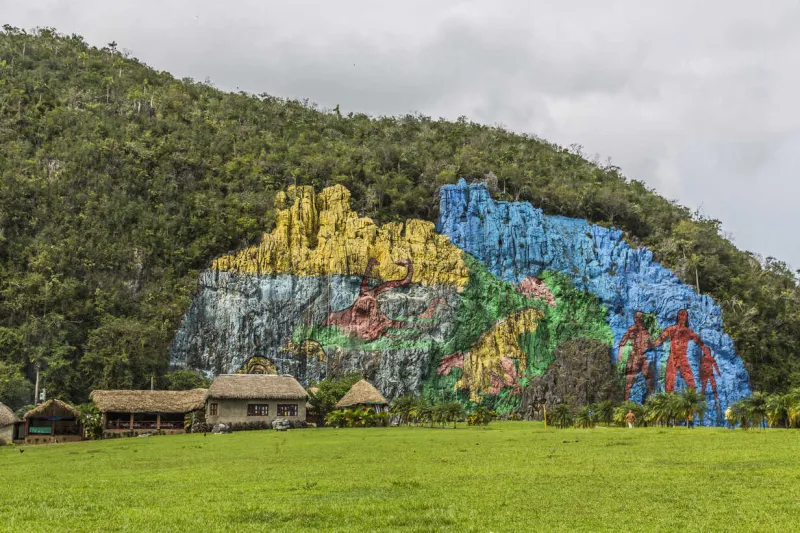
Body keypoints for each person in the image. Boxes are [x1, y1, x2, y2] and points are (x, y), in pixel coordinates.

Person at [651, 309, 707, 392]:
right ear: (677, 316)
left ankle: (693, 397)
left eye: (684, 315)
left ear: (687, 317)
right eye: (680, 314)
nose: (682, 316)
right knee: (669, 379)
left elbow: (700, 343)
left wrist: (705, 351)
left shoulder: (689, 332)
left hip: (682, 357)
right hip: (673, 356)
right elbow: (660, 340)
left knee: (690, 379)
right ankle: (669, 399)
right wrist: (652, 344)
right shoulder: (671, 329)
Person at [618, 311, 655, 400]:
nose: (639, 319)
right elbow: (623, 341)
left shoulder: (645, 331)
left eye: (641, 317)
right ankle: (626, 399)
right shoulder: (631, 329)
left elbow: (651, 344)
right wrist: (620, 353)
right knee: (630, 378)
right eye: (638, 317)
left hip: (643, 357)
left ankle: (653, 396)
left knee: (648, 376)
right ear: (635, 319)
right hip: (634, 356)